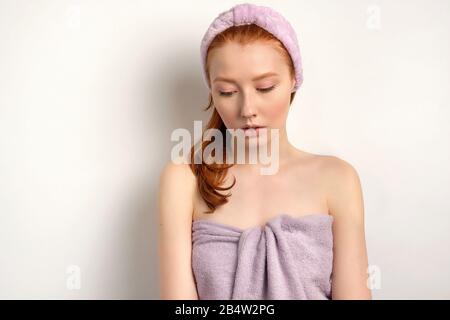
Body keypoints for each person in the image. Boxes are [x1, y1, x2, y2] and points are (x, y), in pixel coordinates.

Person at [158, 3, 372, 300]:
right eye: (227, 92)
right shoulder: (184, 179)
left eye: (265, 87)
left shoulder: (338, 178)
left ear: (293, 81)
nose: (247, 110)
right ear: (212, 92)